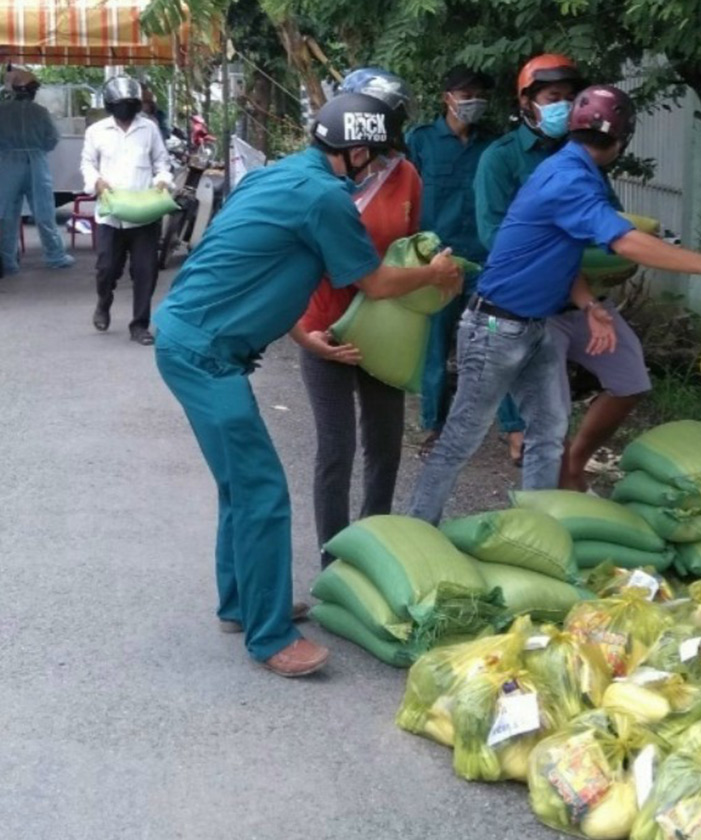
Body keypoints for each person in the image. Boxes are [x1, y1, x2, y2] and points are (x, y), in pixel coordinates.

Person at [152, 93, 463, 677]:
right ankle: (270, 639)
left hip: (192, 339)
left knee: (238, 485)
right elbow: (373, 282)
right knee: (263, 490)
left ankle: (242, 604)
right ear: (358, 150)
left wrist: (299, 332)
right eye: (374, 158)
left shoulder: (279, 175)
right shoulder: (324, 196)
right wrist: (436, 273)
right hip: (205, 354)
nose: (376, 169)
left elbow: (267, 265)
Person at [408, 85, 701, 524]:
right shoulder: (569, 177)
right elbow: (624, 240)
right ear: (622, 142)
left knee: (548, 435)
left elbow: (556, 256)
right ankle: (417, 527)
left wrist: (588, 304)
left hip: (535, 326)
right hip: (495, 327)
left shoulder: (571, 170)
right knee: (460, 440)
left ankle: (538, 529)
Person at [475, 54, 655, 491]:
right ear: (527, 102)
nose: (564, 106)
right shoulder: (499, 160)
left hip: (584, 300)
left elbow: (607, 222)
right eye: (553, 97)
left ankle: (575, 463)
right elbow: (495, 239)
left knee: (631, 380)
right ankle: (552, 512)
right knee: (548, 421)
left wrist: (613, 255)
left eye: (571, 99)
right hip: (532, 308)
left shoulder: (584, 156)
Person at [293, 68, 428, 570]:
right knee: (336, 451)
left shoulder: (406, 175)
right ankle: (333, 558)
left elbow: (405, 252)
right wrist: (303, 332)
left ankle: (372, 547)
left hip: (382, 329)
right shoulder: (320, 176)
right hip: (323, 327)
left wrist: (436, 274)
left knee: (385, 445)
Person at [407, 66, 527, 463]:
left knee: (497, 343)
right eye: (466, 93)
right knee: (436, 349)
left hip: (486, 267)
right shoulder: (421, 141)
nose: (474, 100)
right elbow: (404, 195)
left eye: (480, 93)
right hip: (438, 266)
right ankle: (435, 428)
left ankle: (516, 432)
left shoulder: (494, 147)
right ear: (447, 97)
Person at [81, 75, 174, 345]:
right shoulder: (96, 131)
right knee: (107, 267)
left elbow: (162, 162)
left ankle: (140, 325)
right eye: (121, 104)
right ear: (110, 105)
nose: (126, 109)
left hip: (144, 210)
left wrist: (162, 182)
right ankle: (103, 301)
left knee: (146, 270)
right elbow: (88, 164)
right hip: (111, 212)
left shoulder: (149, 129)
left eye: (131, 104)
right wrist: (95, 182)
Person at [0, 68, 75, 274]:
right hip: (35, 162)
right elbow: (53, 138)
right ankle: (55, 256)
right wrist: (38, 151)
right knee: (44, 211)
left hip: (7, 163)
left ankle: (7, 261)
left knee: (6, 213)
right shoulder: (40, 112)